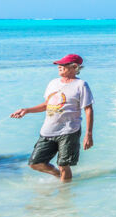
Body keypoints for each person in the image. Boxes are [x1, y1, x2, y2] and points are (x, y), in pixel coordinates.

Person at [9, 54, 94, 182]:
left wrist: (88, 134)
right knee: (35, 163)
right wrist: (26, 110)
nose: (59, 67)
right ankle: (59, 176)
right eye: (59, 65)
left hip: (69, 131)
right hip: (48, 130)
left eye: (63, 65)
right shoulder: (53, 83)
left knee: (63, 165)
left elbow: (88, 109)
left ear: (75, 67)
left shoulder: (81, 85)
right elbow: (46, 105)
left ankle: (64, 195)